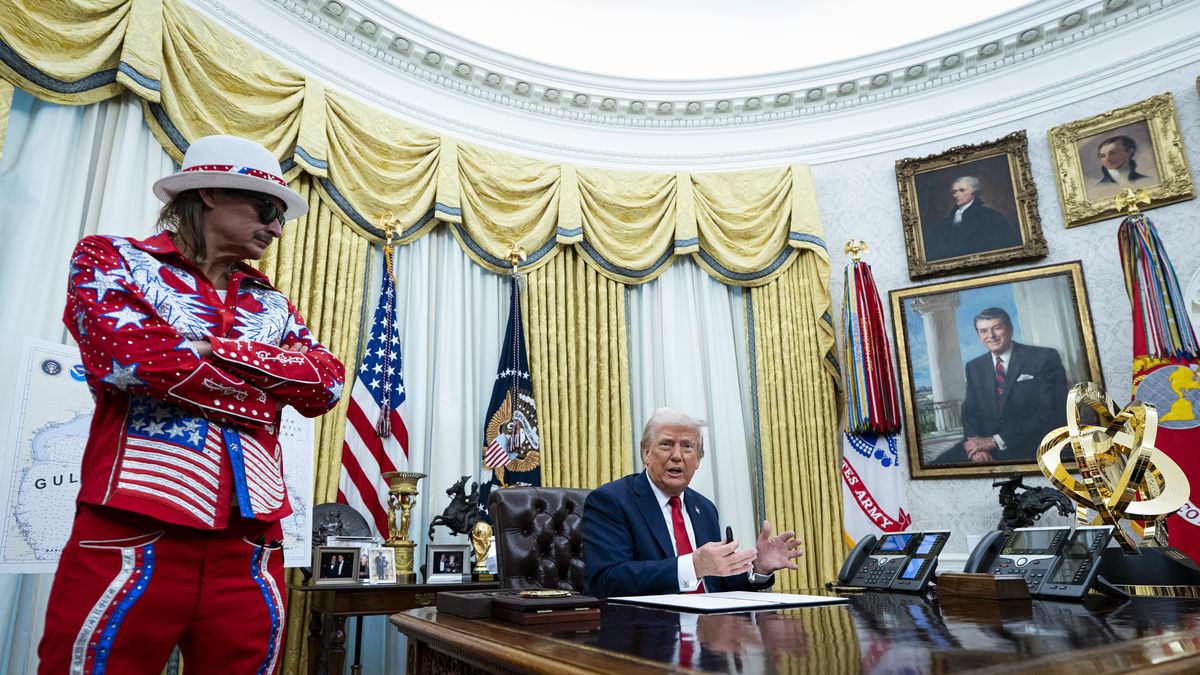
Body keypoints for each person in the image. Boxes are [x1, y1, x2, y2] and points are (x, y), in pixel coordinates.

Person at [39, 135, 346, 675]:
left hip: (251, 543)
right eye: (267, 209)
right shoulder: (111, 258)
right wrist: (265, 391)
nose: (277, 229)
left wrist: (215, 350)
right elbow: (131, 359)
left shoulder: (272, 302)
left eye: (281, 217)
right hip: (133, 529)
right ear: (209, 193)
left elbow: (326, 385)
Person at [583, 408, 804, 598]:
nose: (677, 456)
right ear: (646, 453)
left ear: (698, 460)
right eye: (666, 445)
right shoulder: (611, 501)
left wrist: (757, 567)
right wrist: (693, 566)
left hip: (711, 628)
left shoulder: (705, 508)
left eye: (687, 447)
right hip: (650, 628)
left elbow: (716, 584)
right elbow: (606, 580)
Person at [933, 308, 1069, 466]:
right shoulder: (974, 366)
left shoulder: (1043, 357)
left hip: (1029, 442)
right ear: (978, 335)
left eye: (996, 328)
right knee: (937, 465)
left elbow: (1051, 411)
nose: (991, 336)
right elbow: (970, 412)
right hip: (985, 443)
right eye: (983, 331)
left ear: (1010, 329)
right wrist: (977, 448)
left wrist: (995, 441)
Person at [923, 176, 1021, 261]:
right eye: (954, 191)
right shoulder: (946, 223)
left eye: (962, 190)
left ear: (974, 191)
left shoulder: (992, 217)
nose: (956, 195)